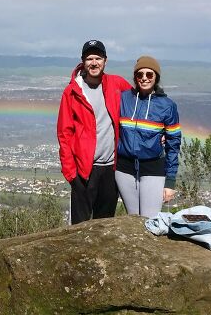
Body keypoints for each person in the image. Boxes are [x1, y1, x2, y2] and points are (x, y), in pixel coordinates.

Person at [57, 40, 132, 224]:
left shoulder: (117, 84)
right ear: (83, 62)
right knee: (79, 226)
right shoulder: (72, 91)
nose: (94, 62)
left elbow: (140, 104)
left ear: (105, 61)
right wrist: (71, 173)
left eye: (98, 58)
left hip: (111, 169)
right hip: (83, 171)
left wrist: (160, 133)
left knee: (104, 224)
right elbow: (64, 134)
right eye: (89, 58)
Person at [115, 56, 182, 218]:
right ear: (135, 77)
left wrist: (170, 182)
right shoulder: (124, 99)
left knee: (149, 219)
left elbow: (173, 145)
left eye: (149, 74)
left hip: (153, 168)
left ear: (156, 77)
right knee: (133, 219)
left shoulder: (167, 106)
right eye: (140, 74)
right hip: (124, 169)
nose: (144, 78)